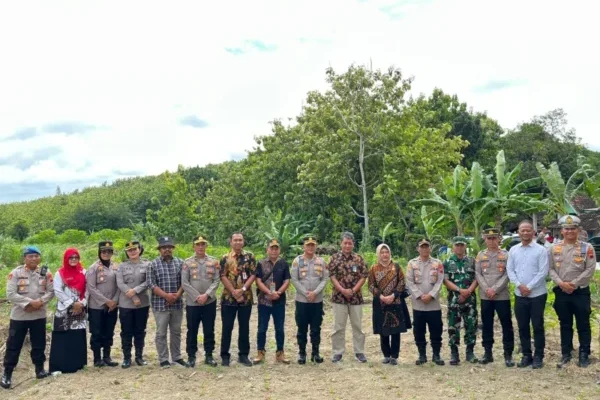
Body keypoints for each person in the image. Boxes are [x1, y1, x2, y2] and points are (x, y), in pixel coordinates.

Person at [1, 246, 54, 389]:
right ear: (25, 258)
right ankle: (7, 373)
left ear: (39, 258)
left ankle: (39, 369)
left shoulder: (46, 273)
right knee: (13, 345)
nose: (34, 259)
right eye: (30, 256)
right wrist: (30, 303)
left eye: (36, 256)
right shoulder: (16, 273)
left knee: (39, 344)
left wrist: (40, 302)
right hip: (20, 316)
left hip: (38, 315)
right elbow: (11, 294)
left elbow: (51, 291)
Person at [550, 215, 597, 368]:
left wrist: (574, 284)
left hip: (580, 292)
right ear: (562, 231)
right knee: (565, 324)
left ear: (578, 230)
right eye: (566, 228)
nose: (570, 231)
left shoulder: (586, 248)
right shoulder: (554, 248)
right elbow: (550, 269)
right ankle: (566, 353)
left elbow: (590, 269)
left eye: (573, 228)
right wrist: (561, 284)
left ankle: (584, 354)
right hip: (561, 291)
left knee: (583, 324)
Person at [507, 220, 549, 369]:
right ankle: (526, 355)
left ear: (533, 232)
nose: (525, 233)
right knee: (522, 326)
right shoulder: (513, 250)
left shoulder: (541, 250)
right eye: (522, 230)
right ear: (518, 232)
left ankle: (538, 356)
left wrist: (529, 287)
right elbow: (510, 270)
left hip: (537, 294)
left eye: (528, 230)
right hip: (520, 295)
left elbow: (543, 271)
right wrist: (519, 286)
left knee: (537, 326)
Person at [475, 228, 515, 367]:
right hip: (485, 296)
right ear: (485, 239)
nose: (491, 241)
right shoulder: (480, 255)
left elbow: (508, 273)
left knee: (506, 325)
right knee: (486, 325)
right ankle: (488, 353)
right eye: (488, 238)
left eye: (494, 238)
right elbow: (478, 274)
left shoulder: (506, 254)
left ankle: (508, 354)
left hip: (502, 295)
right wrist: (487, 289)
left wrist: (495, 289)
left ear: (499, 239)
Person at [328, 231, 368, 363]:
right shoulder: (334, 258)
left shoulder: (359, 258)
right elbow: (332, 276)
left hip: (356, 299)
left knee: (357, 326)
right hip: (339, 298)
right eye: (345, 243)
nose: (347, 245)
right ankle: (337, 352)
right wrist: (342, 290)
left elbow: (363, 276)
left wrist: (353, 290)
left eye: (349, 243)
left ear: (353, 244)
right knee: (338, 326)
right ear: (341, 243)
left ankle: (359, 352)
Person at [368, 243, 410, 365]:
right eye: (382, 252)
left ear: (390, 253)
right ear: (378, 254)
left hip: (395, 302)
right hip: (381, 304)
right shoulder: (373, 268)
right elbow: (371, 285)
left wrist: (393, 295)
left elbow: (402, 282)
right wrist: (381, 296)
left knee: (396, 330)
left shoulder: (396, 267)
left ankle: (394, 356)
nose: (385, 254)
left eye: (386, 252)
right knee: (383, 330)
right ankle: (386, 355)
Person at [181, 235, 220, 368]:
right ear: (193, 246)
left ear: (206, 246)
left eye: (203, 244)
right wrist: (197, 296)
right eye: (198, 244)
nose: (200, 247)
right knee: (192, 330)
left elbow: (216, 280)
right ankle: (191, 356)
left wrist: (206, 295)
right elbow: (185, 283)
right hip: (193, 303)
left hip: (209, 302)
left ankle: (209, 355)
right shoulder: (187, 262)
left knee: (209, 329)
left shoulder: (214, 262)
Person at [219, 232, 257, 367]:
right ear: (231, 242)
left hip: (245, 298)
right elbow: (222, 275)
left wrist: (243, 290)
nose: (238, 242)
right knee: (227, 327)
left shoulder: (250, 257)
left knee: (244, 327)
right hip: (229, 298)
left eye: (240, 240)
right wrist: (234, 291)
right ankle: (224, 355)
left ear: (243, 241)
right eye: (235, 240)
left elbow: (253, 275)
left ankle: (243, 355)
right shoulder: (225, 258)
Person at [406, 238, 445, 366]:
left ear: (430, 248)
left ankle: (436, 355)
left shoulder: (437, 263)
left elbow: (440, 281)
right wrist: (420, 295)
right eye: (422, 247)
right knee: (419, 331)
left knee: (436, 330)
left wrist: (431, 295)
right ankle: (422, 355)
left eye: (426, 246)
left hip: (433, 305)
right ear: (418, 249)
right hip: (419, 305)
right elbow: (410, 282)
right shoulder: (412, 263)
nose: (424, 249)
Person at [148, 236, 185, 368]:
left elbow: (184, 282)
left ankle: (177, 357)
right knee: (161, 333)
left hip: (177, 303)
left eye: (169, 247)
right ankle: (163, 359)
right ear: (160, 250)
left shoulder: (180, 263)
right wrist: (166, 296)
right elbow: (151, 284)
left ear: (173, 249)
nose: (167, 250)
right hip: (160, 305)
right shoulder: (153, 264)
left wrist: (176, 295)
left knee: (176, 332)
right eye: (164, 247)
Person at [290, 236, 329, 364]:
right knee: (301, 328)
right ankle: (302, 353)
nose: (310, 247)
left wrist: (315, 292)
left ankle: (315, 353)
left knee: (316, 328)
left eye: (313, 245)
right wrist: (306, 293)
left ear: (315, 246)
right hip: (302, 300)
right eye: (308, 245)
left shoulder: (321, 261)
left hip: (316, 301)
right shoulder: (297, 261)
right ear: (304, 247)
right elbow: (294, 279)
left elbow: (324, 279)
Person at [49, 248, 88, 373]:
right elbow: (58, 291)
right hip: (64, 310)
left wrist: (82, 303)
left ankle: (78, 365)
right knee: (62, 338)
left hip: (80, 310)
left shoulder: (83, 272)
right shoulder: (59, 273)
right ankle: (59, 367)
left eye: (76, 257)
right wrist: (72, 304)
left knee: (77, 337)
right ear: (66, 259)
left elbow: (88, 289)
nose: (73, 260)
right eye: (71, 257)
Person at [253, 239, 292, 364]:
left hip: (279, 301)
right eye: (272, 248)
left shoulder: (283, 263)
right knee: (262, 328)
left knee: (279, 328)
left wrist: (278, 293)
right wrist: (269, 292)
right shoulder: (261, 263)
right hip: (264, 301)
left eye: (276, 248)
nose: (274, 251)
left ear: (279, 250)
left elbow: (287, 281)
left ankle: (280, 353)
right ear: (267, 250)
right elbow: (258, 281)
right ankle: (260, 352)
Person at [443, 236, 479, 365]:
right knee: (453, 326)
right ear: (453, 247)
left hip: (470, 299)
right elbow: (445, 281)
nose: (459, 247)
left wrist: (468, 291)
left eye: (461, 245)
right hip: (454, 299)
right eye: (457, 245)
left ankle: (470, 352)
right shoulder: (447, 262)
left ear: (465, 246)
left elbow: (477, 278)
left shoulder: (472, 261)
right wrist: (459, 290)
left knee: (471, 325)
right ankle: (454, 353)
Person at [116, 240, 151, 368]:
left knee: (140, 331)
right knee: (126, 331)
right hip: (126, 304)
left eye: (134, 249)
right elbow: (120, 283)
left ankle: (139, 357)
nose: (132, 252)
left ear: (140, 249)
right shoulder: (122, 266)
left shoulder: (148, 265)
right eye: (129, 250)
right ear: (127, 253)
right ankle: (126, 358)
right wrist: (132, 295)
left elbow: (149, 281)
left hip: (142, 304)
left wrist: (135, 291)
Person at [86, 241, 120, 367]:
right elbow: (91, 288)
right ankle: (97, 358)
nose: (106, 254)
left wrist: (114, 301)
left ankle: (107, 356)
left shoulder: (116, 267)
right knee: (96, 332)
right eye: (103, 251)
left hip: (112, 306)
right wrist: (107, 301)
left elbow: (119, 285)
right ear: (99, 252)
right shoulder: (93, 268)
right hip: (97, 306)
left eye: (109, 251)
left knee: (109, 331)